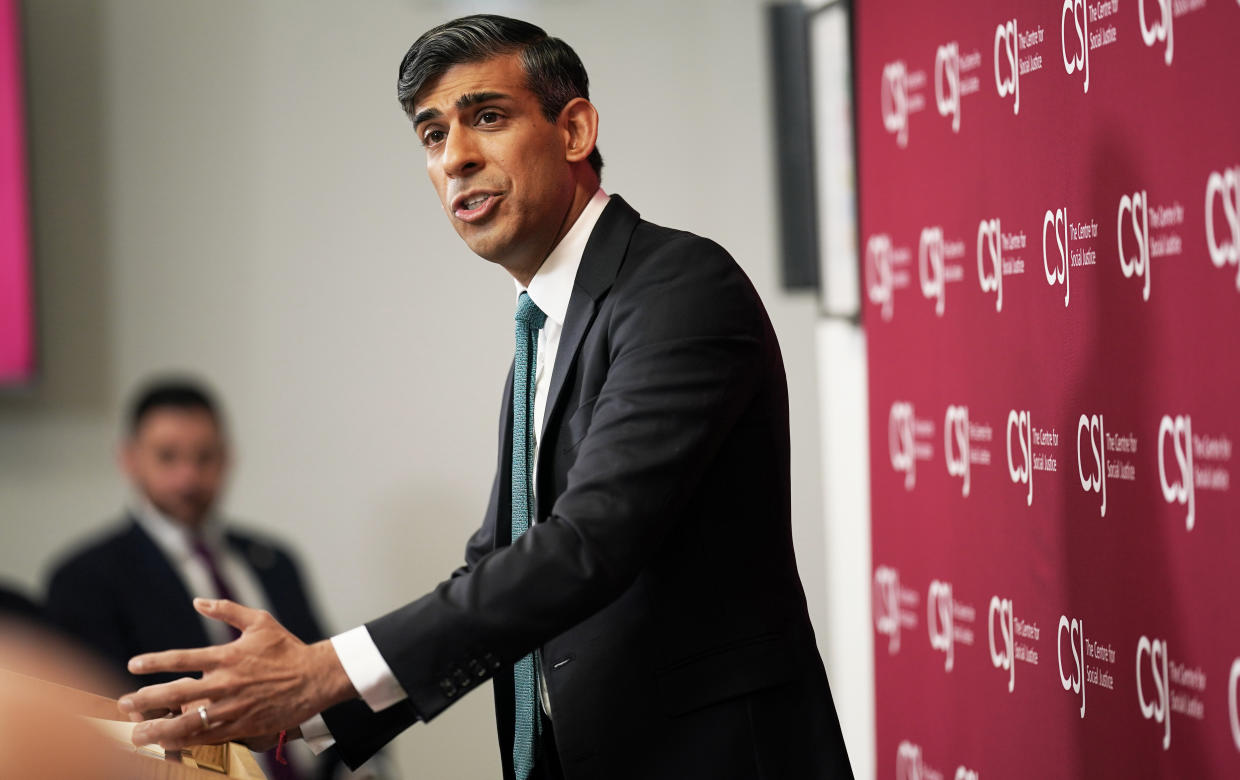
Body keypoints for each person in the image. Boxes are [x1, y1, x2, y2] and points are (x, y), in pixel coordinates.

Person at [119, 15, 854, 780]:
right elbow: (498, 564)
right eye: (432, 136)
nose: (456, 157)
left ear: (573, 129)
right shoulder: (543, 329)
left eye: (488, 118)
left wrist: (326, 671)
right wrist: (296, 703)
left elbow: (587, 544)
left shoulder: (679, 287)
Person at [45, 378, 378, 780]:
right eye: (168, 457)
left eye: (205, 457)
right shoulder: (85, 578)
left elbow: (326, 679)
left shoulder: (275, 561)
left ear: (227, 458)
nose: (188, 477)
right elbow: (106, 724)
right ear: (130, 459)